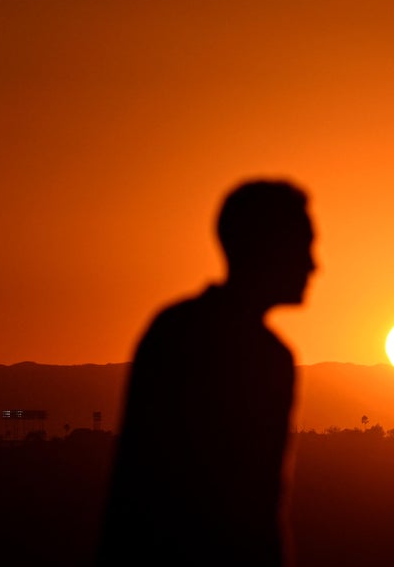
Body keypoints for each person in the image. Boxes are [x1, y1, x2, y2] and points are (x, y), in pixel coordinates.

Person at [97, 179, 316, 567]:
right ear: (265, 249)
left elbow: (128, 486)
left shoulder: (172, 328)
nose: (314, 264)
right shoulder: (263, 357)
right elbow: (257, 506)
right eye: (303, 246)